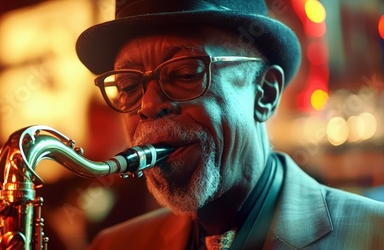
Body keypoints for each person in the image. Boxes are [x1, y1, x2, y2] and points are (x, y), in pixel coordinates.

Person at [74, 0, 384, 249]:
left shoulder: (375, 235)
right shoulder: (114, 244)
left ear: (265, 93)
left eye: (186, 74)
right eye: (128, 85)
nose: (149, 105)